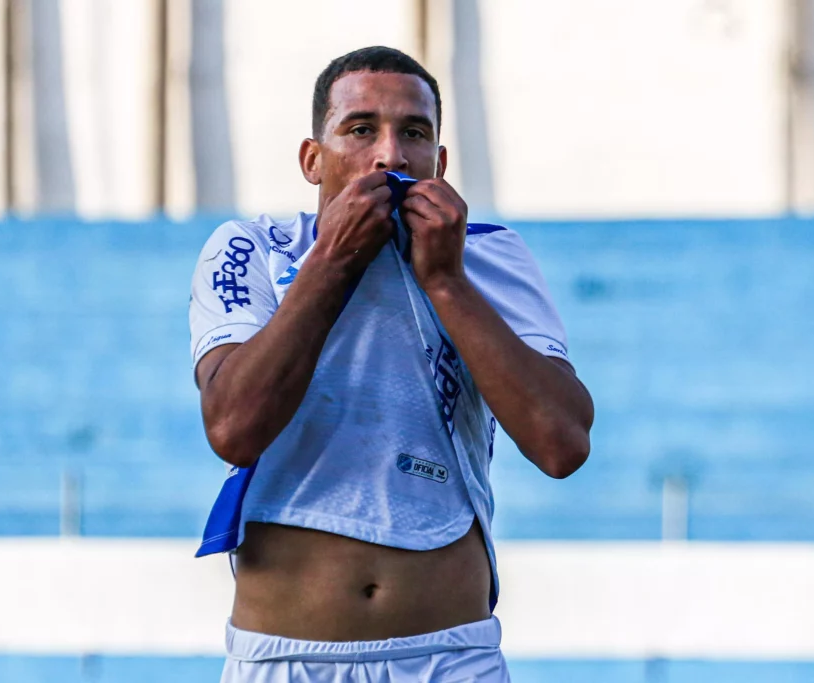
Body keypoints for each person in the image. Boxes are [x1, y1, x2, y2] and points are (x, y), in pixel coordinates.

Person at [189, 46, 594, 682]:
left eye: (414, 133)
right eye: (360, 130)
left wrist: (446, 282)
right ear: (311, 160)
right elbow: (234, 428)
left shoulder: (491, 258)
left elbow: (561, 444)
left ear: (440, 161)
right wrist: (333, 260)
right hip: (287, 657)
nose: (389, 156)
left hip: (449, 656)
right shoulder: (253, 248)